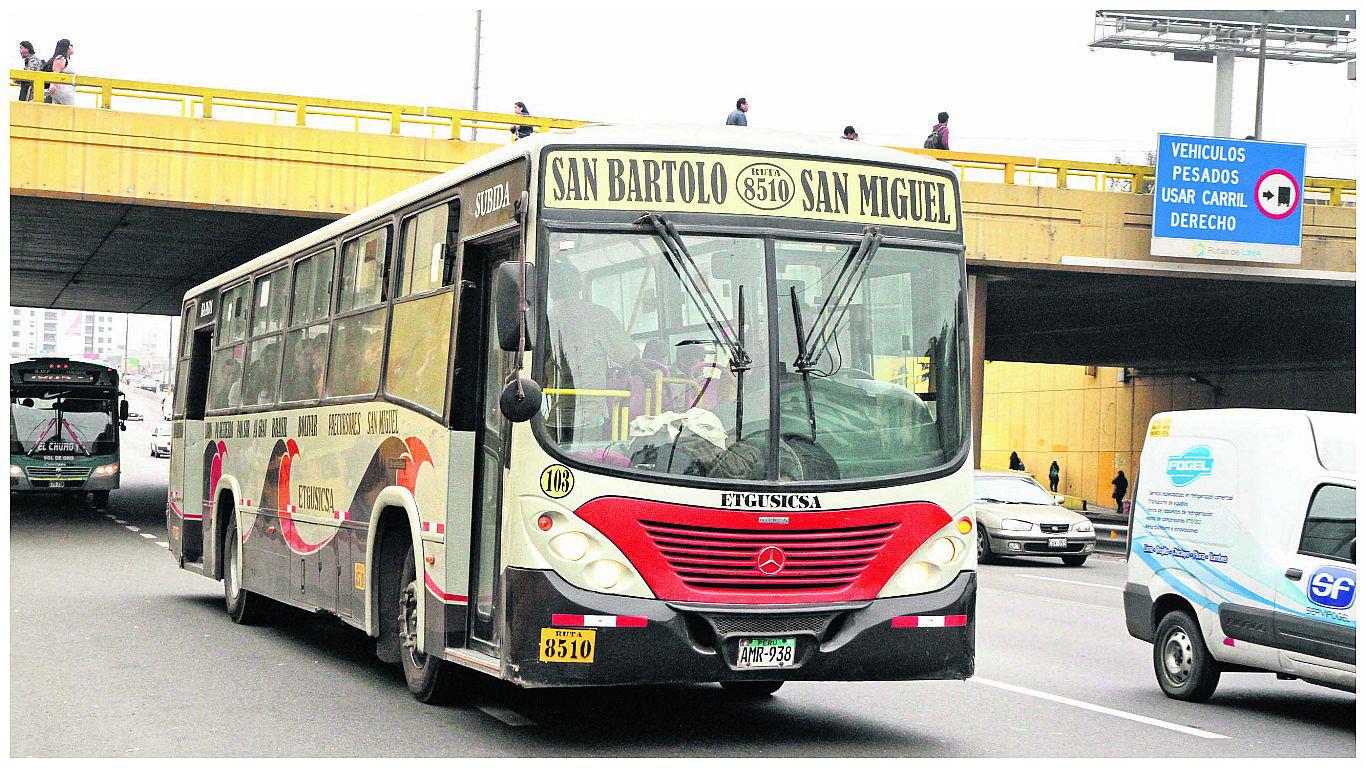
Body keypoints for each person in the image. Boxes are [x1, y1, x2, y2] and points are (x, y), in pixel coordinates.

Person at [42, 39, 76, 105]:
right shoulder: (61, 58)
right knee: (71, 111)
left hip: (63, 89)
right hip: (62, 89)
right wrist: (53, 85)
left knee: (59, 111)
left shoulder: (66, 59)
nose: (72, 47)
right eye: (70, 45)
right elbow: (56, 72)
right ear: (67, 47)